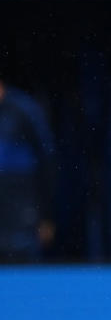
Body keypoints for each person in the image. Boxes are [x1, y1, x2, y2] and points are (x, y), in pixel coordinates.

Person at [0, 78, 56, 262]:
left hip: (21, 215)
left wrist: (46, 216)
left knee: (22, 266)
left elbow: (47, 163)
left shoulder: (24, 109)